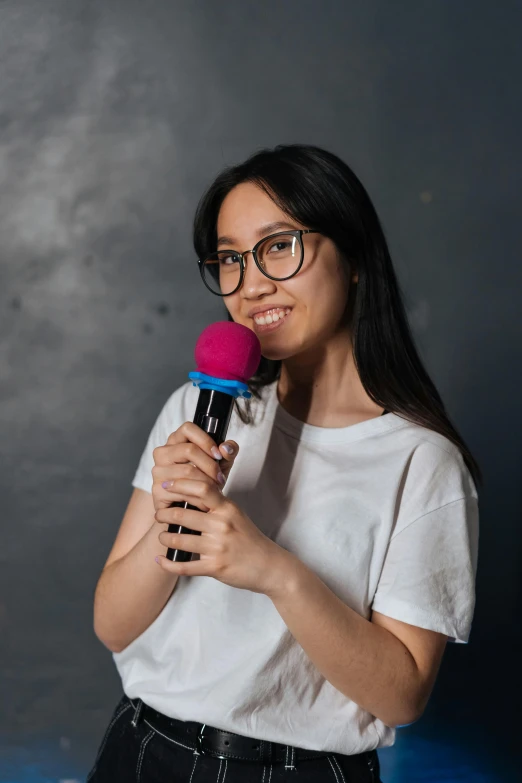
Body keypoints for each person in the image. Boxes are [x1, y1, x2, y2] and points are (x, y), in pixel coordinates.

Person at [88, 143, 480, 783]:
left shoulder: (422, 462)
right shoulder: (196, 407)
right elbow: (113, 625)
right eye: (230, 260)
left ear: (352, 258)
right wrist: (171, 517)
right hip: (141, 750)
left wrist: (273, 571)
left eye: (278, 246)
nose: (252, 285)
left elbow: (402, 696)